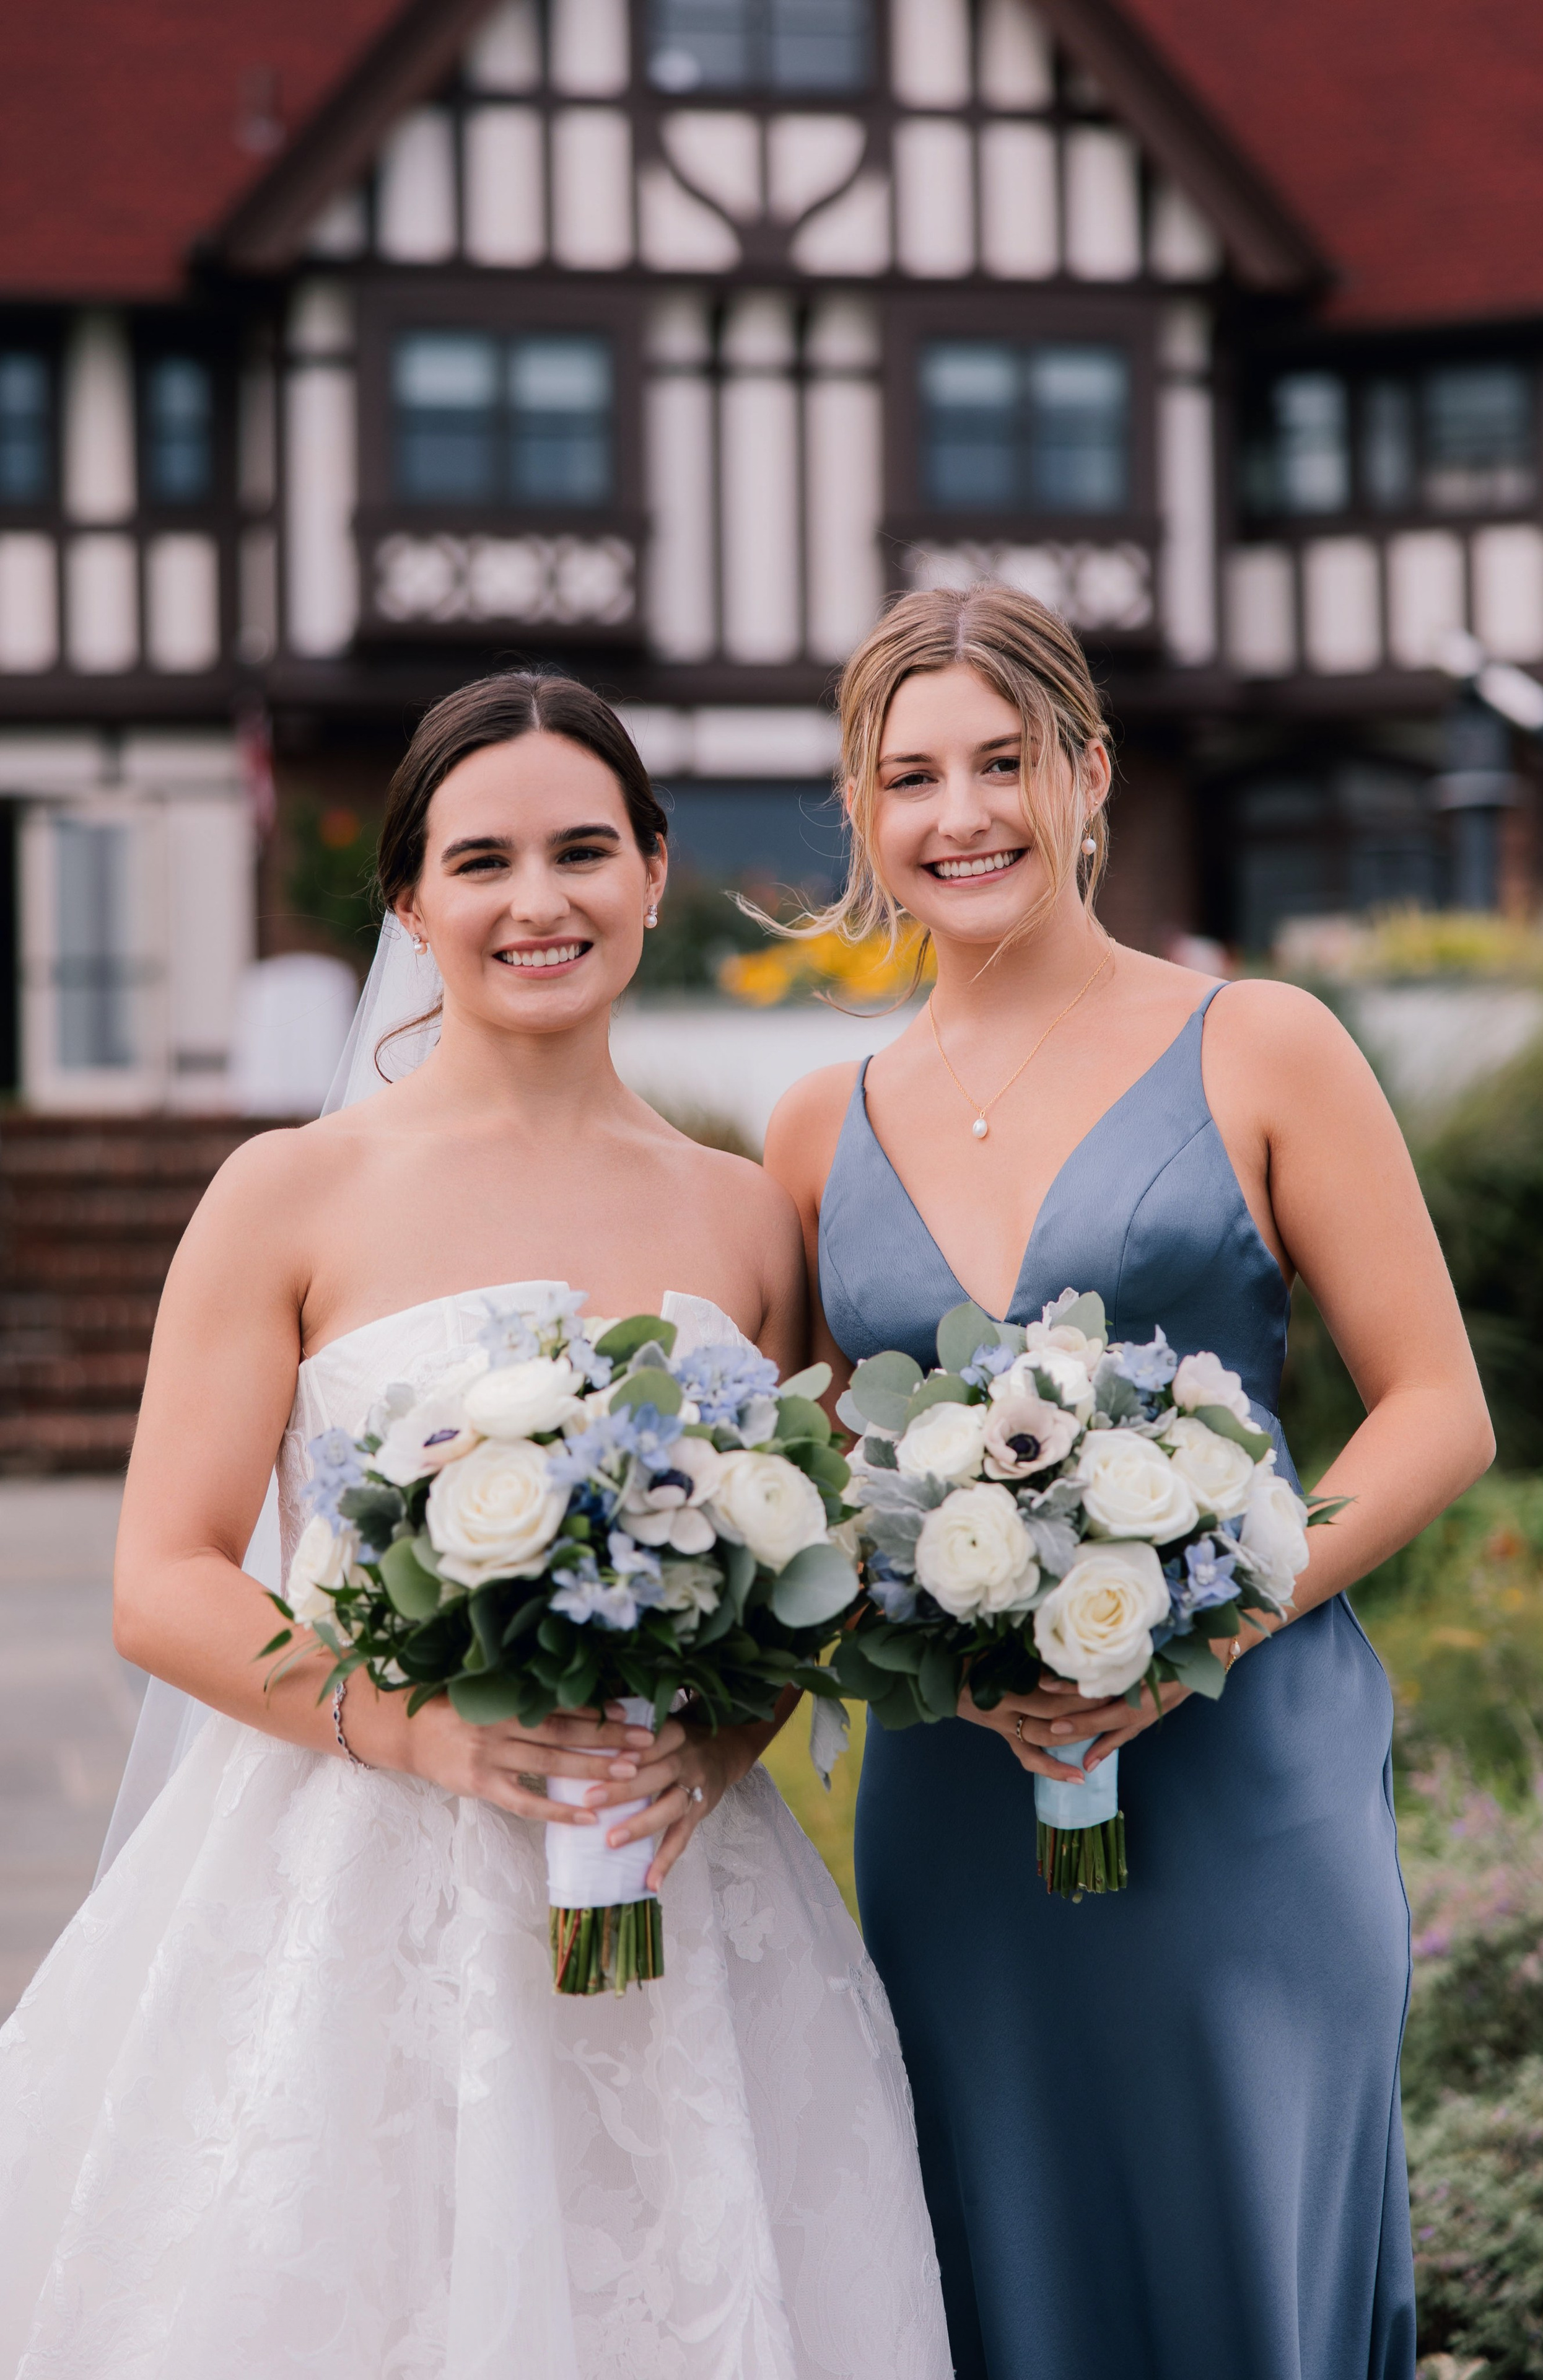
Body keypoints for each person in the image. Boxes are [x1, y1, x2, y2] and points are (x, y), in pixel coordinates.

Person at [0, 672, 951, 2380]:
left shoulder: (744, 1215)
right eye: (486, 858)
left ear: (655, 873)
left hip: (678, 1891)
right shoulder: (286, 1192)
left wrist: (721, 1754)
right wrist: (418, 1734)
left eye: (586, 850)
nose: (540, 900)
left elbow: (805, 1574)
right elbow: (162, 1580)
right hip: (353, 1882)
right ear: (412, 899)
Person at [766, 585, 1495, 2380]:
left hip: (1244, 1769)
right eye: (910, 775)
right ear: (860, 813)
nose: (963, 814)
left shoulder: (1262, 1045)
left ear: (1088, 773)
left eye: (1005, 761)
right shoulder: (812, 1123)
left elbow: (1437, 1406)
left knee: (1252, 2242)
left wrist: (1212, 1616)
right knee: (999, 2247)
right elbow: (801, 1482)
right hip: (962, 1800)